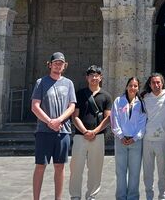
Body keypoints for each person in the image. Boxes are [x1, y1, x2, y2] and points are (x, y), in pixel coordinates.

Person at [31, 52, 77, 200]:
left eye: (61, 63)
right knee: (40, 165)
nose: (58, 65)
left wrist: (59, 120)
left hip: (63, 131)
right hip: (44, 131)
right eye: (55, 63)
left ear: (64, 66)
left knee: (60, 166)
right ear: (50, 65)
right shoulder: (41, 82)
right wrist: (49, 122)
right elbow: (35, 106)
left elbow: (72, 106)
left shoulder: (69, 83)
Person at [69, 65, 112, 200]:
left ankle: (92, 195)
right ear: (87, 78)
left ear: (101, 77)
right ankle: (75, 195)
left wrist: (94, 131)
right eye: (91, 75)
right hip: (80, 136)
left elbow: (107, 118)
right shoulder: (80, 94)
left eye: (97, 75)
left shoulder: (106, 96)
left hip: (98, 136)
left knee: (95, 168)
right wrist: (85, 131)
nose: (94, 78)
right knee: (76, 167)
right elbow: (75, 116)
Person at [111, 77, 148, 200]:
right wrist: (121, 135)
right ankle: (121, 197)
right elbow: (114, 119)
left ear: (138, 88)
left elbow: (143, 123)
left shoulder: (141, 103)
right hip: (120, 141)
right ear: (127, 86)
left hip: (136, 142)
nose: (133, 88)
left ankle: (133, 197)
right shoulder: (118, 101)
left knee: (135, 172)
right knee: (120, 171)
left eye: (135, 86)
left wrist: (136, 137)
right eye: (131, 85)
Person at [141, 73, 165, 200]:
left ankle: (162, 196)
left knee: (162, 171)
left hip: (162, 139)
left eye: (158, 82)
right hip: (147, 139)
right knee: (148, 171)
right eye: (153, 83)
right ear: (150, 84)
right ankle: (149, 195)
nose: (156, 85)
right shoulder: (145, 98)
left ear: (162, 83)